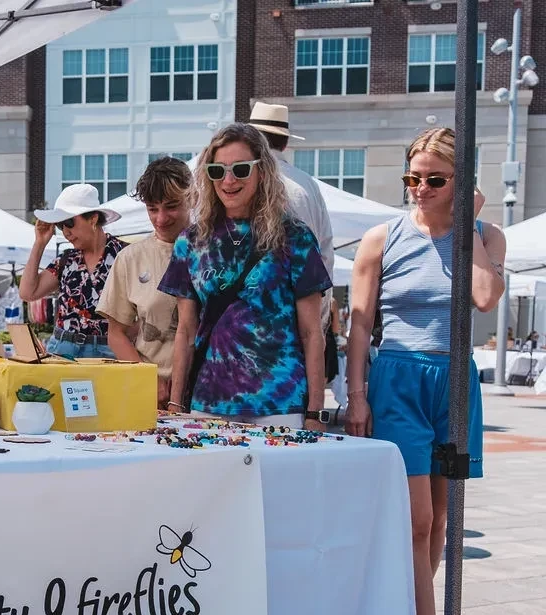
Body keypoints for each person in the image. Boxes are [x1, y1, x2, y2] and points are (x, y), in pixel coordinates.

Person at [344, 127, 505, 615]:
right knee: (415, 521)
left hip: (455, 379)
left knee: (440, 522)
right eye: (413, 177)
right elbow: (360, 322)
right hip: (398, 377)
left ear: (462, 183)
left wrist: (467, 227)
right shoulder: (381, 237)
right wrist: (357, 394)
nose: (419, 188)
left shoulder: (485, 235)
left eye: (435, 179)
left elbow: (484, 297)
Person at [160, 123, 331, 428]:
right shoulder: (191, 241)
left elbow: (311, 332)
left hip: (279, 402)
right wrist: (175, 404)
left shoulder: (294, 237)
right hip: (208, 402)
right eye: (217, 171)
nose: (228, 180)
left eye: (240, 169)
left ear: (261, 171)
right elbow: (185, 331)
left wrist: (315, 411)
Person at [248, 102, 338, 382]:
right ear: (285, 143)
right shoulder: (308, 186)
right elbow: (325, 261)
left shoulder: (241, 181)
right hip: (300, 324)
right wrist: (318, 328)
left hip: (249, 329)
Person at [98, 157, 191, 408]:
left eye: (171, 206)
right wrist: (147, 376)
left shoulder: (213, 250)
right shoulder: (130, 258)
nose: (161, 219)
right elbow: (116, 334)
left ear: (191, 198)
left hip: (209, 390)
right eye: (152, 209)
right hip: (152, 395)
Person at [20, 184, 125, 358]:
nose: (66, 232)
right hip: (63, 347)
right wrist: (40, 243)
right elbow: (27, 292)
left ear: (93, 219)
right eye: (61, 226)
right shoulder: (66, 260)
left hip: (110, 350)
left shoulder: (124, 256)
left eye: (69, 222)